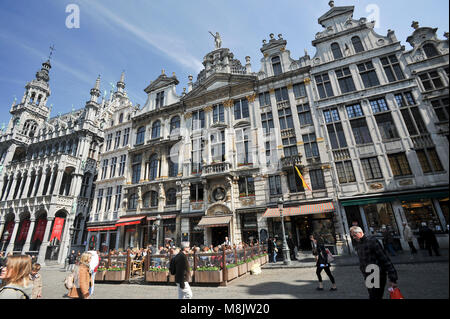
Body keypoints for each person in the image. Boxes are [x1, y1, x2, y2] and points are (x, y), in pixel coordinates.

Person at [350, 226, 398, 300]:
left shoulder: (372, 241)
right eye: (352, 236)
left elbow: (384, 258)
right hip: (368, 275)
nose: (353, 238)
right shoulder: (359, 244)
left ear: (360, 233)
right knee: (373, 296)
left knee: (374, 296)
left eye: (354, 235)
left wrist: (392, 278)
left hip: (377, 274)